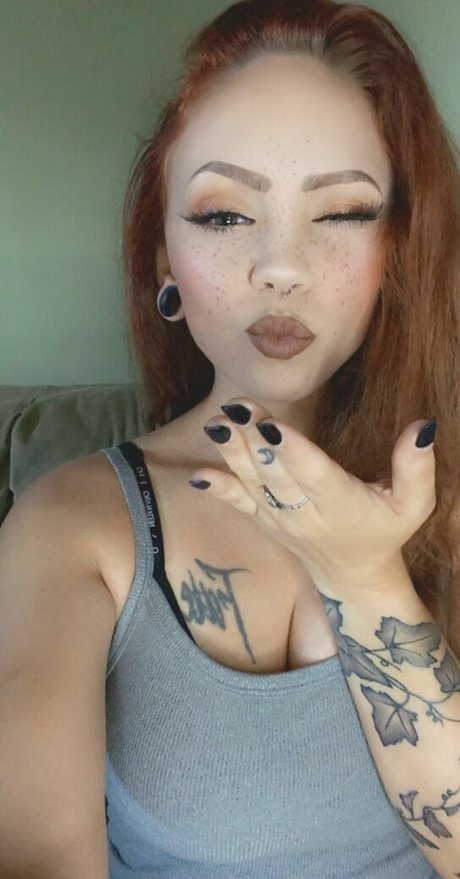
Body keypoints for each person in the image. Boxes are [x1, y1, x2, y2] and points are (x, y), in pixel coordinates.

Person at [0, 0, 459, 876]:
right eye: (222, 215)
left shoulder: (449, 484)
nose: (280, 265)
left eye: (342, 213)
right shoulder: (71, 526)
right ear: (163, 257)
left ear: (398, 249)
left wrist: (367, 579)